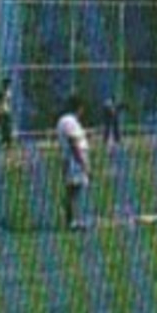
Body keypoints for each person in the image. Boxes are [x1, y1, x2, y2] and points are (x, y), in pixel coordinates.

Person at [56, 95, 92, 230]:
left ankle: (72, 220)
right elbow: (74, 142)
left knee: (72, 192)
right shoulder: (69, 121)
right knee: (75, 191)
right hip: (75, 160)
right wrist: (84, 163)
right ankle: (75, 221)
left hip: (70, 159)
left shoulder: (64, 120)